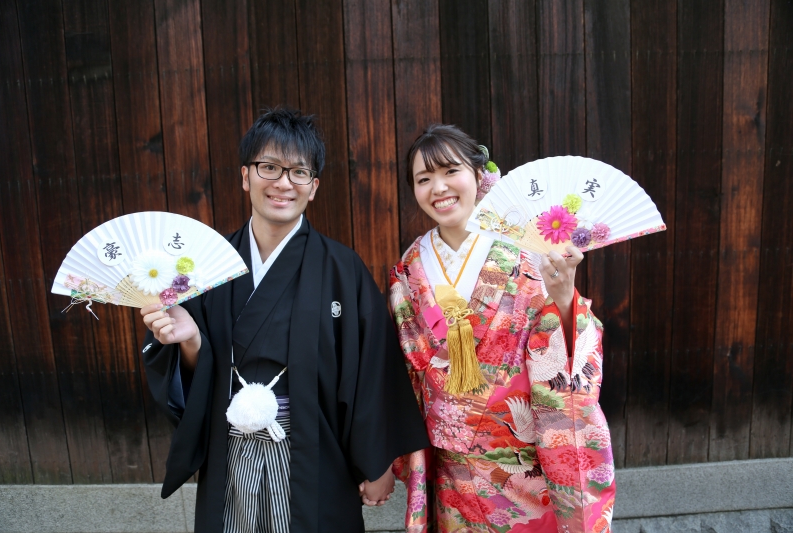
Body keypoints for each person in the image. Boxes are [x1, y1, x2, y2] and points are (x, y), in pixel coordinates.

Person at [140, 107, 429, 533]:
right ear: (246, 176)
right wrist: (190, 343)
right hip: (230, 451)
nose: (283, 183)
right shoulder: (205, 269)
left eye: (298, 172)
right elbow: (191, 381)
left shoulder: (342, 269)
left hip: (316, 452)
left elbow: (372, 370)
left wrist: (378, 461)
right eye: (269, 167)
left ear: (313, 187)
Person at [389, 124, 616, 532]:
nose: (439, 188)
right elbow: (405, 369)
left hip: (521, 467)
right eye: (424, 179)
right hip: (450, 473)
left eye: (451, 171)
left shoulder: (527, 253)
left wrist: (565, 298)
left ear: (479, 175)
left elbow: (563, 352)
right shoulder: (410, 267)